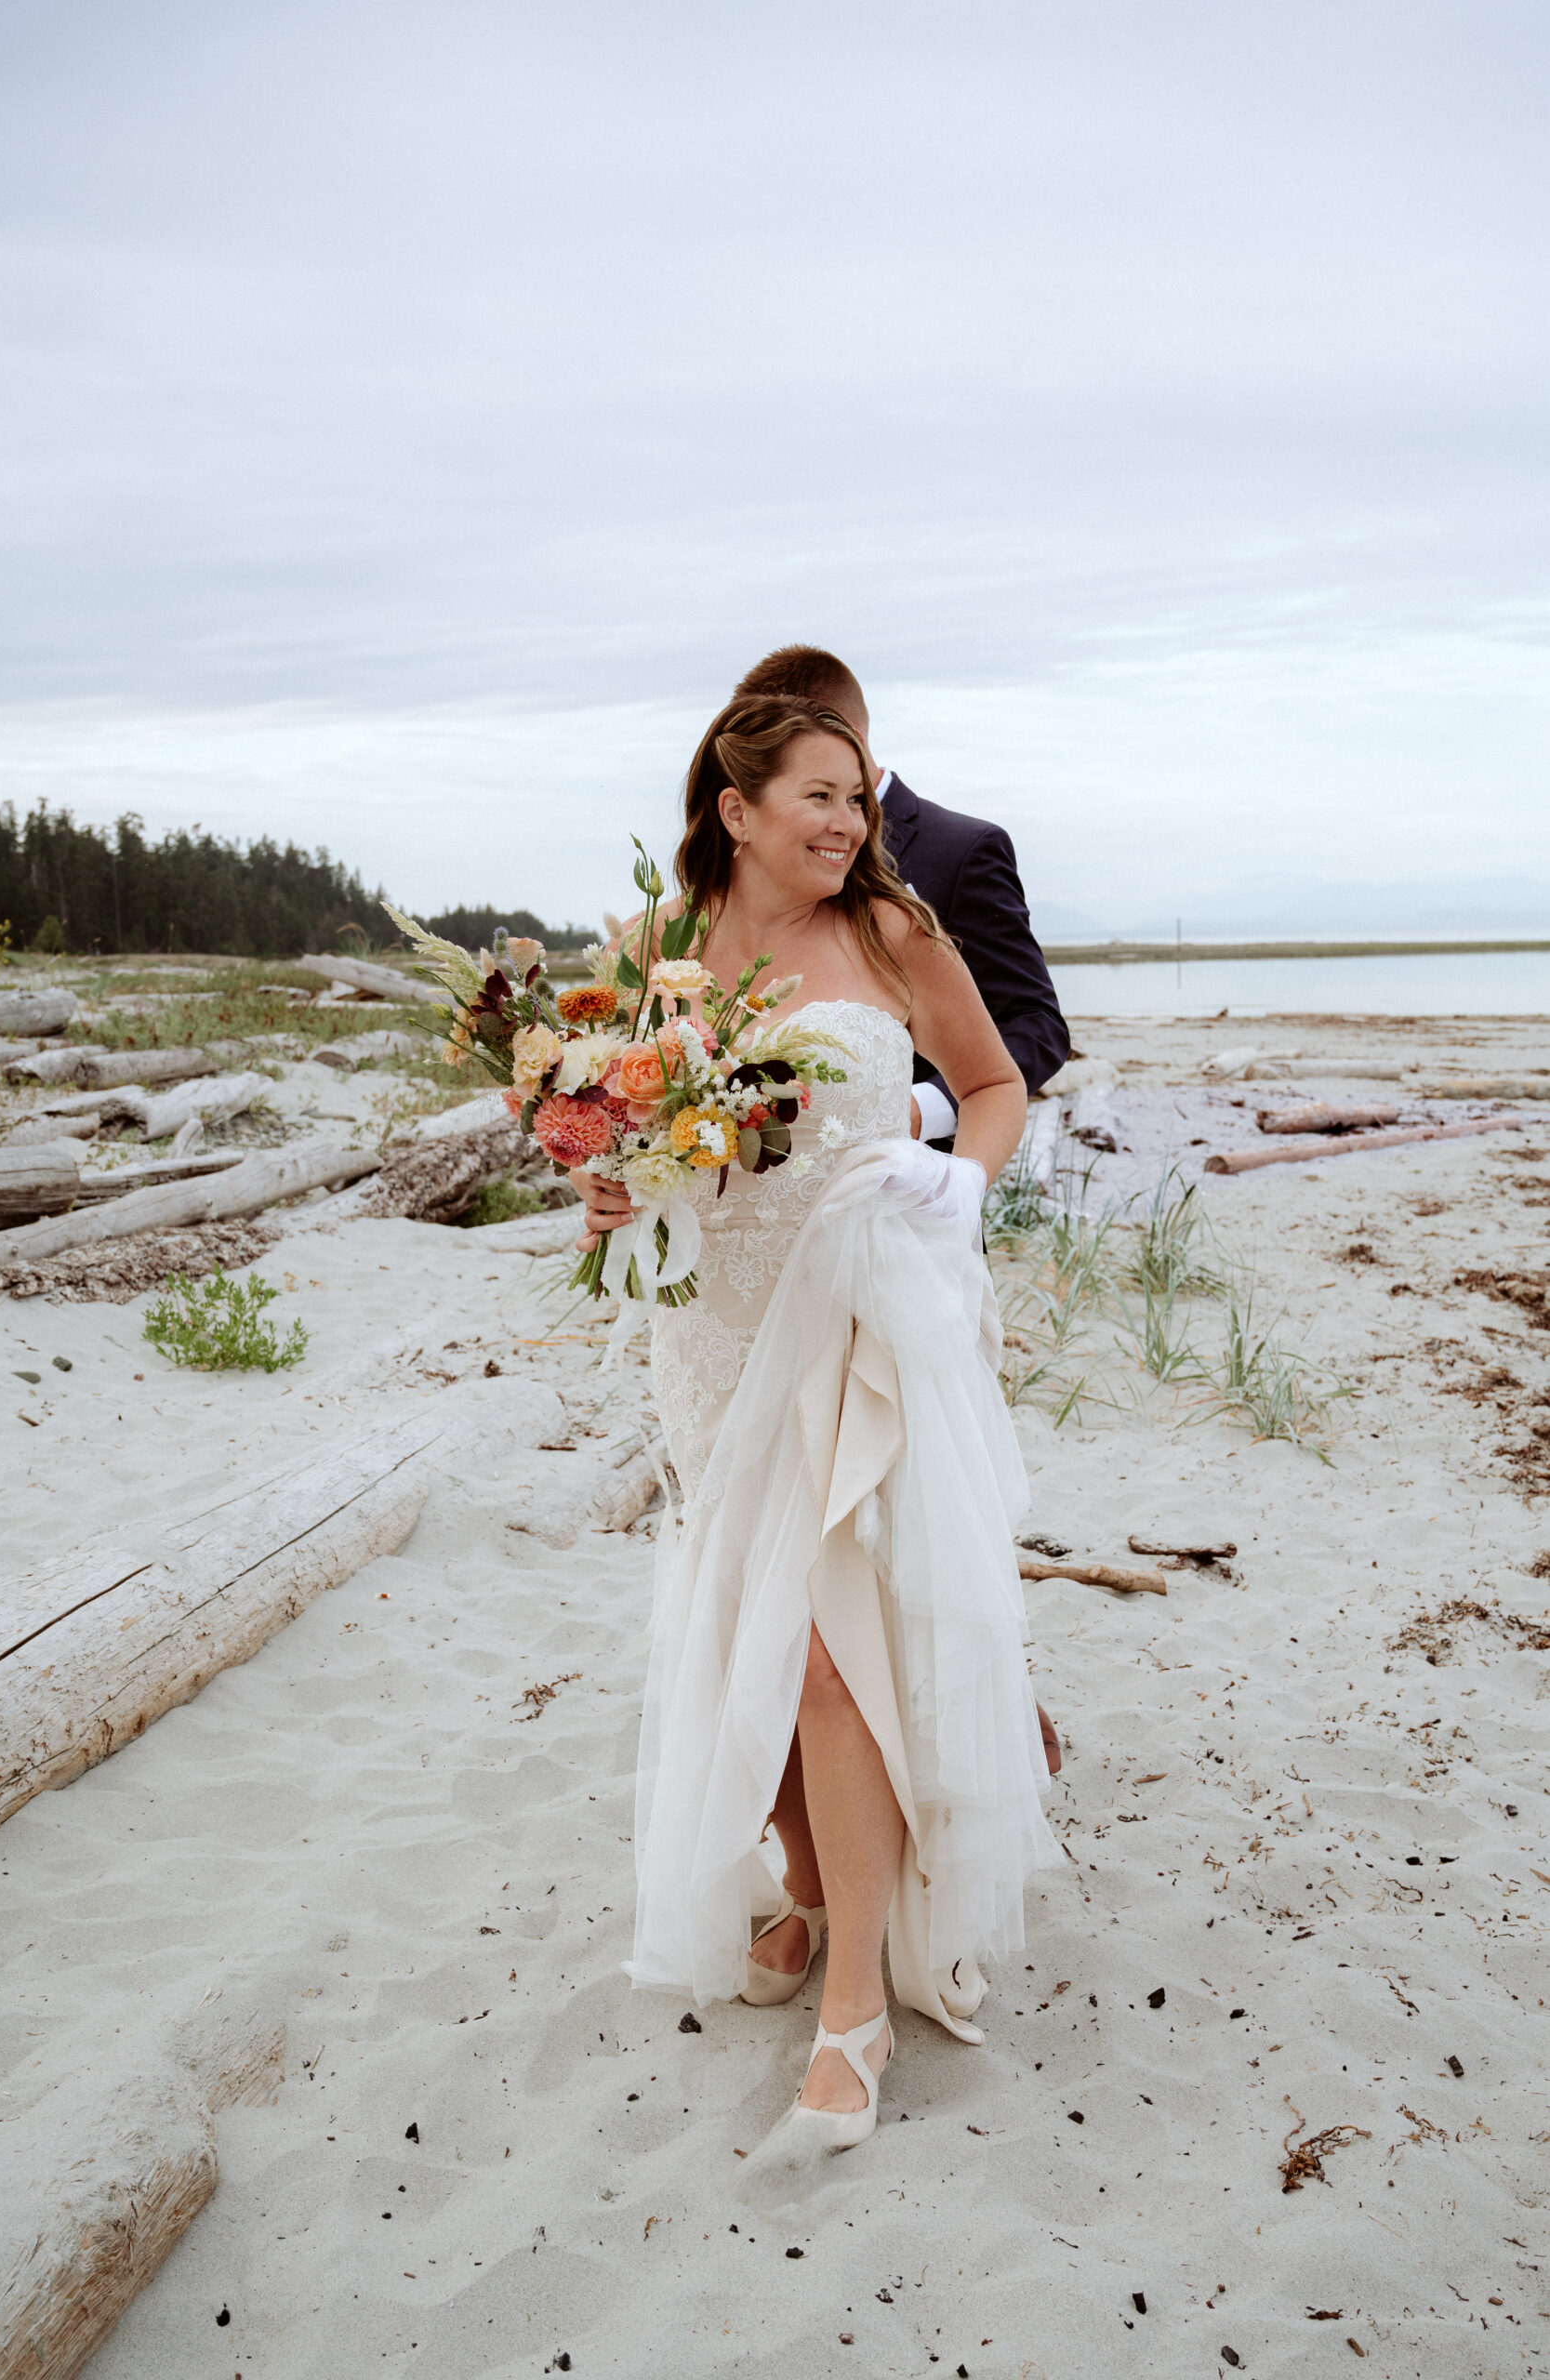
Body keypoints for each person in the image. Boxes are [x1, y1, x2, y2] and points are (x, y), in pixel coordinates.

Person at [572, 694, 1063, 2151]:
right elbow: (627, 1138)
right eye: (820, 797)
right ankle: (805, 1880)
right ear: (735, 809)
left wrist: (963, 1181)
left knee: (837, 1655)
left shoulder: (895, 933)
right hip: (710, 1328)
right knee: (748, 1633)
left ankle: (855, 1997)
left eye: (857, 797)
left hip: (857, 1321)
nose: (849, 823)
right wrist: (605, 1188)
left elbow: (990, 1084)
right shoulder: (661, 950)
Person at [734, 644, 1066, 1781]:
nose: (830, 813)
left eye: (841, 780)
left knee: (919, 1520)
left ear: (858, 742)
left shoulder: (961, 850)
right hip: (749, 1266)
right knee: (778, 1558)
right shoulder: (732, 883)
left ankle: (978, 1737)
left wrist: (917, 1116)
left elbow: (1030, 1032)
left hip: (905, 1229)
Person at [733, 644, 1071, 1131]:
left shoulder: (961, 848)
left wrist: (915, 1112)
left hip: (908, 1180)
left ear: (837, 731)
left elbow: (1034, 1023)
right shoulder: (750, 852)